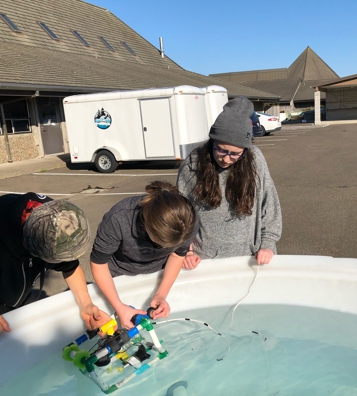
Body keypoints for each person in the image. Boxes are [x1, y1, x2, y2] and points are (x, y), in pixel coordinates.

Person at [177, 96, 282, 270]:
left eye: (235, 154)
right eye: (221, 150)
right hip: (203, 261)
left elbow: (269, 204)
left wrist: (268, 243)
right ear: (212, 141)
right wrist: (186, 250)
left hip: (251, 257)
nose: (226, 159)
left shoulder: (255, 159)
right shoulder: (192, 164)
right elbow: (181, 212)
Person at [90, 181, 198, 329]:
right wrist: (119, 306)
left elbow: (176, 255)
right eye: (162, 244)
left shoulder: (187, 221)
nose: (165, 249)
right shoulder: (119, 218)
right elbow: (98, 263)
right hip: (118, 275)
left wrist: (161, 294)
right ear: (146, 225)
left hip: (158, 272)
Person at [0, 193, 110, 334]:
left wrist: (86, 304)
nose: (62, 263)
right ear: (31, 247)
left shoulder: (58, 216)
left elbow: (70, 267)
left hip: (21, 297)